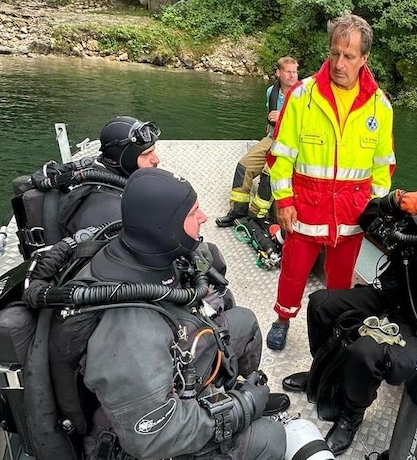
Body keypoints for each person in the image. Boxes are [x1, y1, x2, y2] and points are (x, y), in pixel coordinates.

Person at [48, 168, 287, 459]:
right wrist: (241, 408)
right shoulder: (130, 332)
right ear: (166, 226)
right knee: (270, 438)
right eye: (193, 212)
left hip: (172, 365)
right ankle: (243, 406)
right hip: (140, 436)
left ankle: (237, 392)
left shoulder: (143, 254)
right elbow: (151, 437)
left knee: (244, 323)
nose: (203, 217)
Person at [281, 160, 417, 455]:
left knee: (366, 350)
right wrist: (394, 201)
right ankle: (323, 372)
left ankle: (351, 415)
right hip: (391, 298)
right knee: (321, 304)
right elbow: (366, 221)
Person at [265, 14, 395, 350]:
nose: (339, 63)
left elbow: (383, 166)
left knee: (341, 281)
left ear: (364, 59)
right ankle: (283, 317)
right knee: (293, 272)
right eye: (334, 53)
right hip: (305, 206)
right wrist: (284, 200)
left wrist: (375, 211)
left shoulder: (379, 106)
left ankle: (336, 329)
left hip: (352, 213)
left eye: (349, 56)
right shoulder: (302, 96)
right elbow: (280, 156)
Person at [14, 115, 161, 259]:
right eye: (146, 154)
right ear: (124, 158)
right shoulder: (107, 210)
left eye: (153, 151)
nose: (156, 159)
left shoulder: (105, 174)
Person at [215, 56, 300, 227]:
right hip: (272, 138)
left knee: (269, 174)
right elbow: (269, 118)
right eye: (288, 72)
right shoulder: (271, 92)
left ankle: (256, 216)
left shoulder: (304, 95)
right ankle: (237, 211)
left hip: (293, 144)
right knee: (243, 167)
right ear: (278, 73)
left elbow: (308, 126)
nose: (292, 76)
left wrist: (282, 118)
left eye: (295, 72)